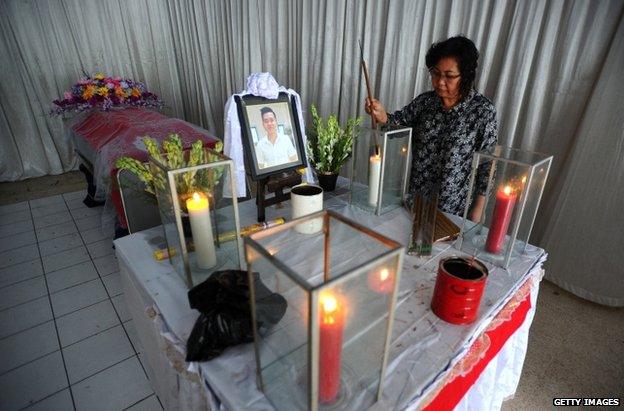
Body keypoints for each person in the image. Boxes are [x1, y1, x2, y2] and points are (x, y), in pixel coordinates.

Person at [365, 36, 497, 221]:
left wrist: (478, 211)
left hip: (453, 210)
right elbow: (397, 124)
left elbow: (487, 165)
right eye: (435, 73)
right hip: (415, 204)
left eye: (449, 76)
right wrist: (381, 114)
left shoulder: (482, 111)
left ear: (466, 75)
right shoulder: (426, 102)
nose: (440, 81)